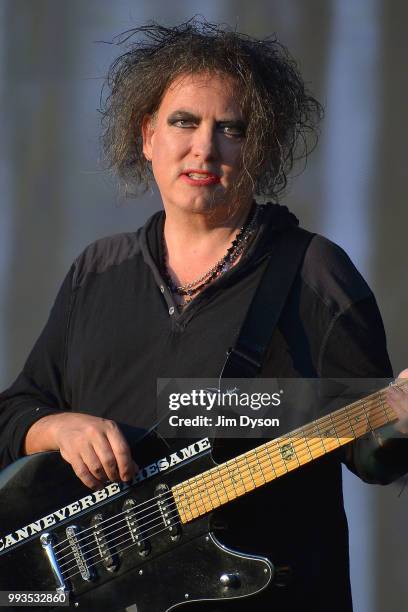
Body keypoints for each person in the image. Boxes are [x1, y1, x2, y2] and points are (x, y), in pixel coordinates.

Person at [1, 19, 407, 612]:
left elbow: (371, 451)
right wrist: (59, 428)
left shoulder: (316, 273)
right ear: (148, 136)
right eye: (184, 122)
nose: (204, 148)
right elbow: (15, 413)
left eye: (231, 130)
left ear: (257, 149)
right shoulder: (97, 271)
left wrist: (396, 421)